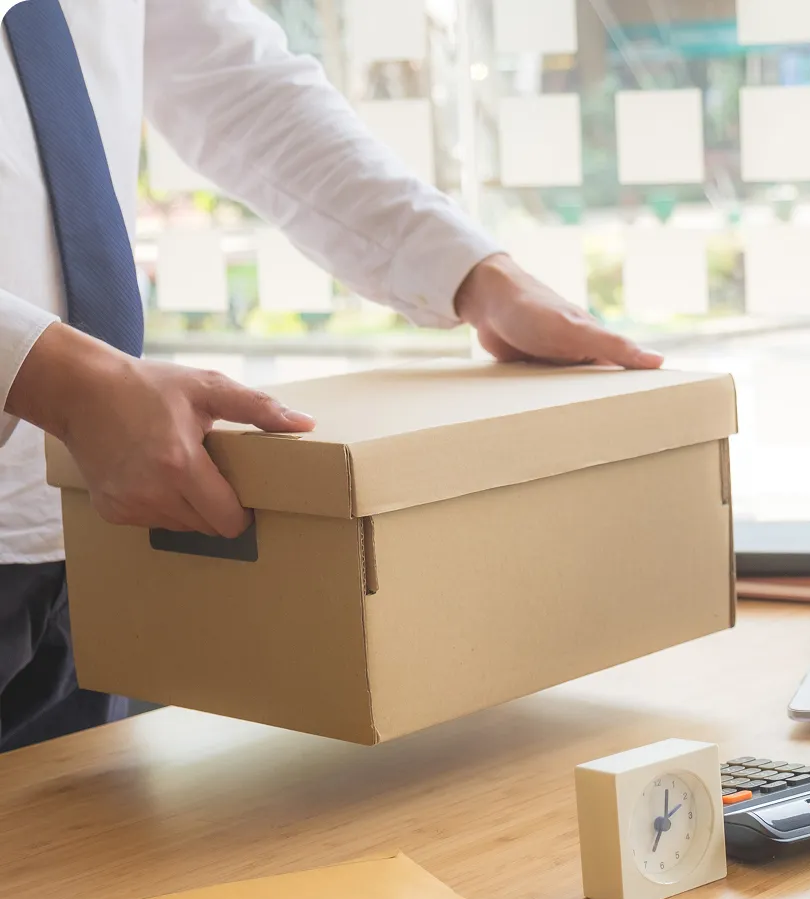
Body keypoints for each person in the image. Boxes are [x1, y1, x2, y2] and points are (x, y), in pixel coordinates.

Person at [0, 0, 662, 752]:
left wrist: (470, 271)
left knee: (87, 859)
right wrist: (53, 374)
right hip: (77, 485)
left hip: (98, 532)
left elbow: (238, 82)